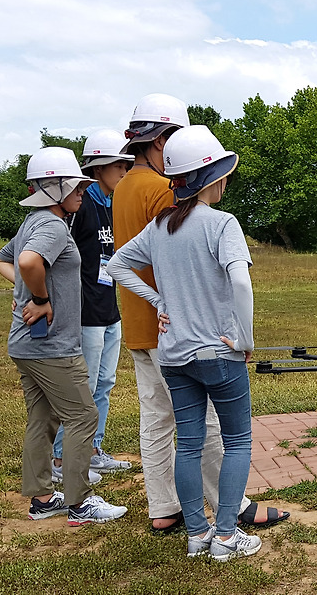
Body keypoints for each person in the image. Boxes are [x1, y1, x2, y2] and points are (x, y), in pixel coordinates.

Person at [109, 124, 283, 561]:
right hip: (219, 353)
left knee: (187, 443)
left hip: (173, 355)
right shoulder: (223, 224)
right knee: (237, 441)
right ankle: (226, 536)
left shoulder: (160, 225)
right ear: (212, 176)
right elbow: (240, 283)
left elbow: (117, 265)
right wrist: (244, 339)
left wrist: (157, 300)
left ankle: (197, 534)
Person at [0, 147, 128, 525]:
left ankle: (42, 500)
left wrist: (27, 291)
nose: (82, 193)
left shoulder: (32, 222)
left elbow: (2, 259)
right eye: (76, 188)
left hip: (26, 343)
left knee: (42, 420)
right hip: (53, 345)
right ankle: (80, 503)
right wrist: (40, 298)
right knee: (83, 415)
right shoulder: (52, 226)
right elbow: (26, 262)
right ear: (54, 188)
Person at [50, 130, 134, 482]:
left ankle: (93, 450)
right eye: (119, 165)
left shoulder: (112, 205)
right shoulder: (80, 207)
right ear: (98, 168)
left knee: (105, 383)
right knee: (81, 387)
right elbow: (51, 255)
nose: (125, 172)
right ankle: (60, 458)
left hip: (109, 308)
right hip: (85, 312)